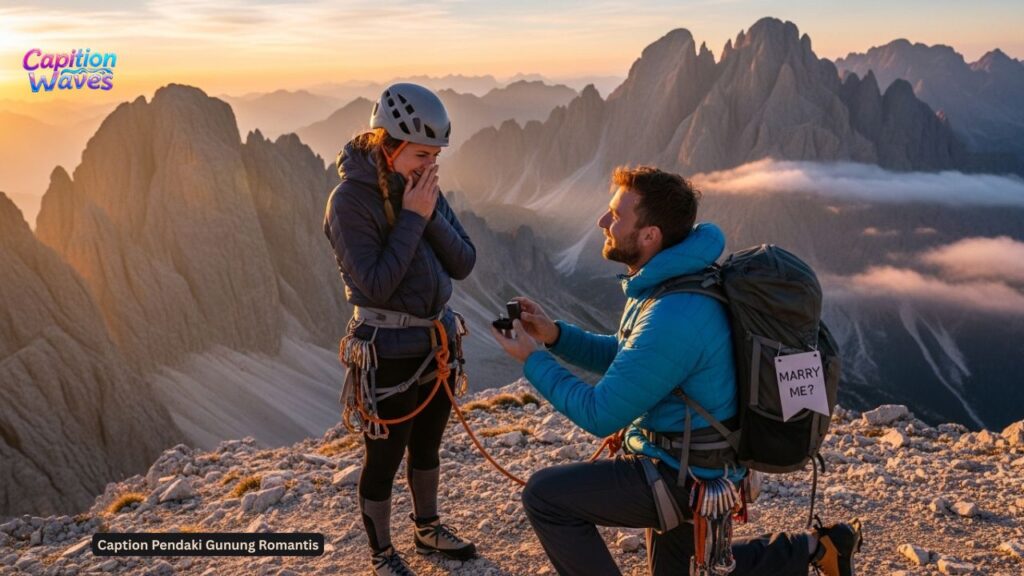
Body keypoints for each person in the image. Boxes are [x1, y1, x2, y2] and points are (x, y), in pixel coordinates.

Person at [491, 165, 863, 576]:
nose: (602, 222)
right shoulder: (678, 280)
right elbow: (633, 357)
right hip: (699, 465)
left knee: (546, 497)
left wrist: (532, 359)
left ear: (650, 236)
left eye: (615, 215)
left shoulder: (674, 313)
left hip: (681, 477)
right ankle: (815, 548)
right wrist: (556, 337)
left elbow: (599, 414)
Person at [324, 83, 478, 576]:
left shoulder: (423, 188)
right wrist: (414, 217)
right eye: (420, 153)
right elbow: (377, 284)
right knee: (385, 455)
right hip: (386, 349)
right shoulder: (349, 201)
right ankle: (382, 553)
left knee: (429, 443)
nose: (429, 164)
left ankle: (427, 528)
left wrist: (426, 214)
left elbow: (464, 261)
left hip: (437, 341)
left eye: (434, 155)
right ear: (387, 145)